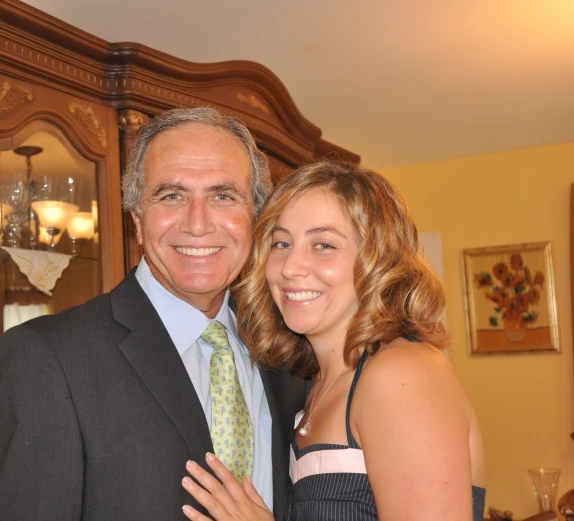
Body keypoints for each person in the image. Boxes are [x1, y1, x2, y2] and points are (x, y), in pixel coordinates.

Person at [0, 107, 306, 521]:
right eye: (172, 196)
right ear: (137, 219)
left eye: (223, 196)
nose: (198, 224)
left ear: (254, 218)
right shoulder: (47, 358)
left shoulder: (289, 351)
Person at [180, 161, 486, 521]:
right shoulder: (314, 386)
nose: (291, 266)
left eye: (323, 245)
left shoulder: (401, 374)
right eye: (281, 243)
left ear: (377, 259)